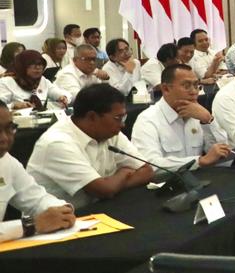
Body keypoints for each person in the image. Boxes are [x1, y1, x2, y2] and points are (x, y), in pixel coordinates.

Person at [27, 83, 155, 208]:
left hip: (98, 210)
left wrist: (114, 184)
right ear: (92, 117)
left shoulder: (110, 132)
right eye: (118, 118)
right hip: (59, 218)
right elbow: (103, 190)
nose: (122, 124)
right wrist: (124, 172)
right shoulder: (57, 143)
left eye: (124, 117)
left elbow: (147, 171)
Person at [130, 64, 233, 170]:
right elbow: (150, 166)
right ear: (166, 89)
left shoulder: (197, 114)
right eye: (187, 86)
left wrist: (208, 120)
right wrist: (199, 161)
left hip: (199, 178)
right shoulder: (147, 120)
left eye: (196, 85)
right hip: (167, 180)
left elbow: (223, 154)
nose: (194, 92)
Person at [0, 102, 76, 243]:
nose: (4, 138)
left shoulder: (6, 162)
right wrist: (30, 225)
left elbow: (37, 199)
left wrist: (62, 211)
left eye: (9, 128)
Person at [0, 50, 69, 109]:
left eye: (40, 64)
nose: (38, 68)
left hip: (41, 118)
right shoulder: (7, 82)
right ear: (22, 65)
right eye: (33, 64)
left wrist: (62, 97)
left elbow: (56, 91)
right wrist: (13, 105)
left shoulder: (42, 80)